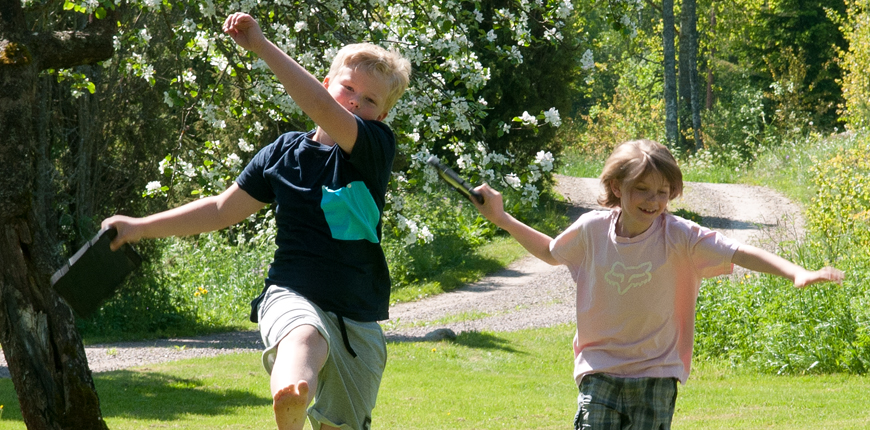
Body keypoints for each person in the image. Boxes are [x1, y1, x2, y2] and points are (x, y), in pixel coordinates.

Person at [102, 12, 411, 430]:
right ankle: (292, 395)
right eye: (348, 87)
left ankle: (303, 401)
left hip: (358, 316)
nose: (356, 100)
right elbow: (219, 209)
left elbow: (321, 109)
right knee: (302, 336)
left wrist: (262, 47)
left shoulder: (374, 147)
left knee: (342, 426)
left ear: (381, 116)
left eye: (370, 100)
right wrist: (139, 226)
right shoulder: (282, 154)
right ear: (327, 82)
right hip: (292, 291)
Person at [471, 139, 844, 429]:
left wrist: (795, 271)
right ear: (616, 187)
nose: (653, 201)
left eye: (662, 192)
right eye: (642, 189)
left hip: (657, 374)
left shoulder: (680, 236)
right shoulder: (591, 230)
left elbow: (739, 252)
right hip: (599, 370)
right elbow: (551, 252)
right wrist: (502, 218)